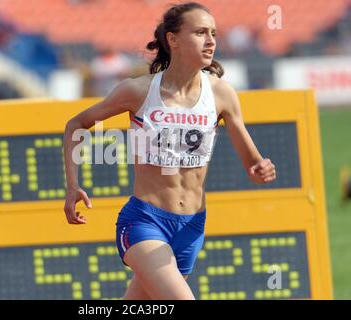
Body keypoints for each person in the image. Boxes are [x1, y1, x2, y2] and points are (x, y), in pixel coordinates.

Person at [63, 2, 276, 300]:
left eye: (213, 33)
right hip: (144, 222)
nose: (211, 40)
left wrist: (260, 169)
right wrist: (72, 186)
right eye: (200, 32)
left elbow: (253, 164)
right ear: (172, 39)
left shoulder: (221, 93)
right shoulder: (137, 91)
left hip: (191, 227)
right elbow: (76, 124)